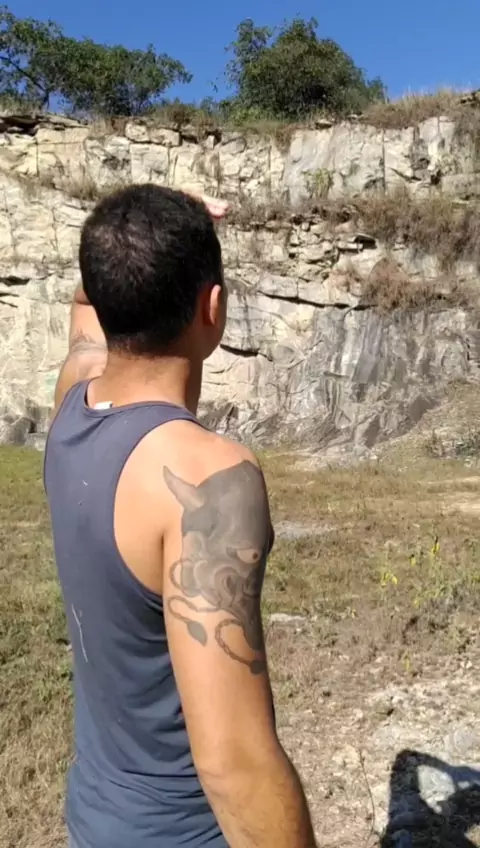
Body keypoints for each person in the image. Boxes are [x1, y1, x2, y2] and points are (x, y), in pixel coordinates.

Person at [44, 184, 316, 848]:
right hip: (183, 834)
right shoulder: (209, 476)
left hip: (95, 820)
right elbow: (234, 766)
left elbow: (87, 312)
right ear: (212, 308)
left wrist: (144, 227)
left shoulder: (71, 404)